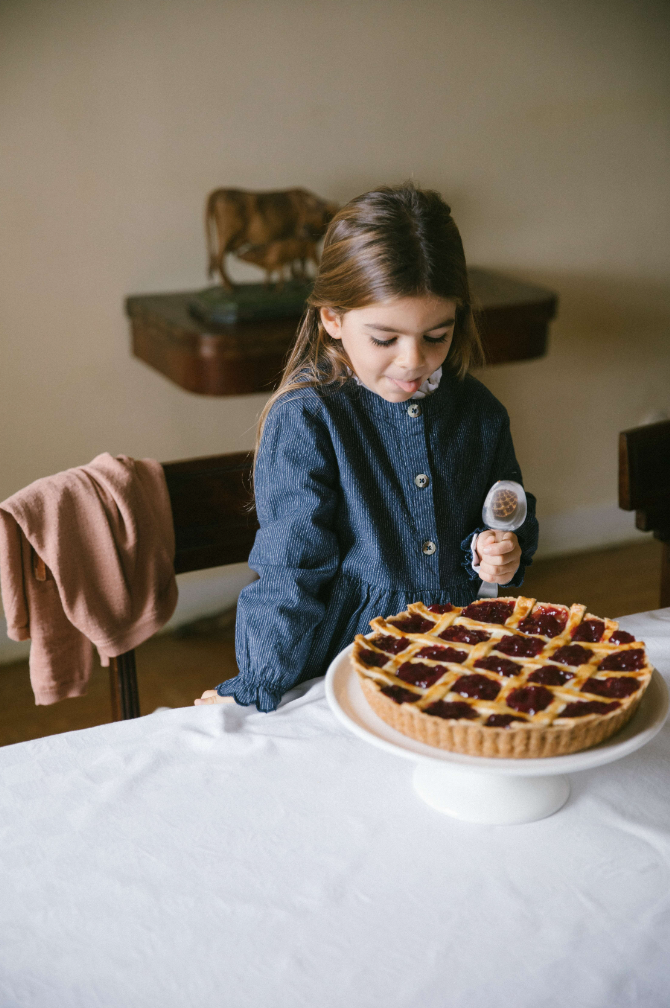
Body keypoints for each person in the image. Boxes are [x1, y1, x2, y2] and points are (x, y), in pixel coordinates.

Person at [195, 184, 539, 711]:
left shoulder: (481, 413)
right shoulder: (309, 419)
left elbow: (509, 512)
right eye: (385, 339)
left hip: (464, 656)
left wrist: (498, 551)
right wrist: (256, 686)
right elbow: (292, 571)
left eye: (437, 336)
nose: (413, 361)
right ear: (333, 318)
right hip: (347, 670)